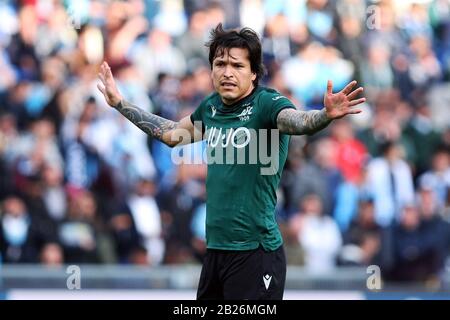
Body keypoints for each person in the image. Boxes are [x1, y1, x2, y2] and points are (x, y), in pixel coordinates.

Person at [97, 23, 365, 300]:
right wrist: (120, 103)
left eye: (237, 65)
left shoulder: (268, 104)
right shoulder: (211, 107)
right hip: (216, 252)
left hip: (256, 253)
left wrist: (323, 115)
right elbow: (171, 134)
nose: (226, 72)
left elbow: (298, 122)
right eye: (219, 63)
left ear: (253, 72)